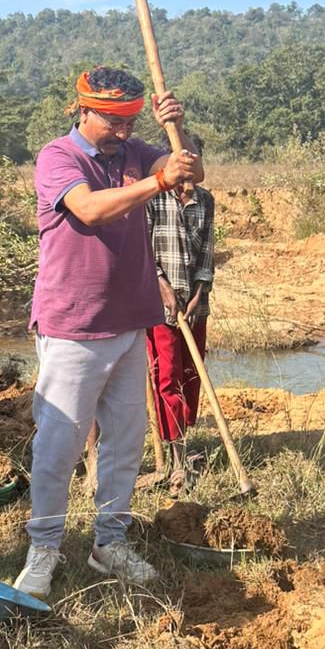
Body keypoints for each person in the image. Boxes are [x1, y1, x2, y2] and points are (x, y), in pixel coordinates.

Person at [13, 66, 202, 599]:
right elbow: (90, 210)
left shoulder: (138, 152)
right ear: (83, 110)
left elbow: (191, 173)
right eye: (114, 122)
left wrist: (176, 133)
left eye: (132, 122)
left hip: (129, 321)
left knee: (124, 441)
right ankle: (44, 546)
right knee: (59, 444)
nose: (123, 132)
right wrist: (159, 179)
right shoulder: (59, 157)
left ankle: (109, 542)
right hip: (74, 323)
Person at [146, 133, 215, 491]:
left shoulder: (205, 200)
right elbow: (145, 252)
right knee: (166, 377)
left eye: (194, 158)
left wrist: (197, 293)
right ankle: (174, 455)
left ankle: (185, 441)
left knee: (192, 376)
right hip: (160, 307)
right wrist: (165, 289)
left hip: (195, 305)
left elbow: (206, 254)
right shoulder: (154, 199)